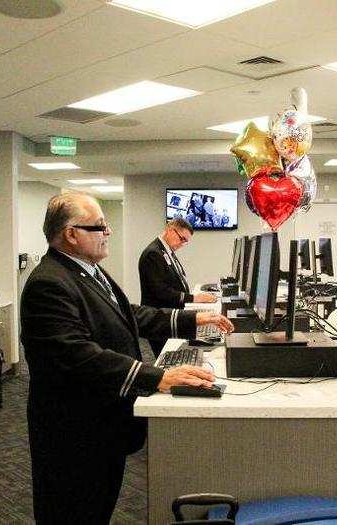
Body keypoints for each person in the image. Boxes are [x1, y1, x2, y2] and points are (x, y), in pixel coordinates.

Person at [20, 193, 233, 524]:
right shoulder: (49, 282)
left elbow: (130, 315)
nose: (108, 232)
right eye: (100, 226)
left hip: (101, 425)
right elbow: (76, 355)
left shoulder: (86, 271)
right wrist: (156, 376)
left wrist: (194, 318)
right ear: (71, 233)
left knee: (98, 509)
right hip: (74, 435)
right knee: (73, 514)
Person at [139, 218, 218, 356]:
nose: (183, 244)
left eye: (186, 241)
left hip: (170, 314)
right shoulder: (153, 253)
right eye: (182, 239)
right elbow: (160, 292)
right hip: (160, 319)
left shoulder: (165, 250)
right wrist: (193, 298)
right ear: (170, 230)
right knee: (168, 359)